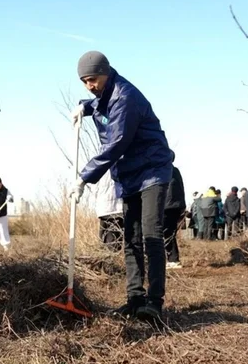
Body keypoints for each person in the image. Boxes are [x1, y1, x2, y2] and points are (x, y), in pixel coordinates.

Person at [69, 51, 174, 323]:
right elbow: (100, 103)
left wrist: (84, 177)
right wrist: (85, 106)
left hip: (151, 171)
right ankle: (135, 298)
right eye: (84, 82)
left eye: (92, 80)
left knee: (150, 234)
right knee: (131, 237)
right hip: (129, 174)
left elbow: (116, 143)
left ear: (106, 72)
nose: (89, 86)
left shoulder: (125, 97)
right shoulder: (107, 93)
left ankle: (154, 302)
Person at [95, 171, 124, 252]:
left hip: (105, 208)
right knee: (112, 245)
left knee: (105, 244)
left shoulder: (102, 162)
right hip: (115, 208)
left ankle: (107, 261)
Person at [163, 165, 186, 269]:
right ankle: (173, 259)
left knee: (165, 232)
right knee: (170, 232)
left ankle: (172, 259)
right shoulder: (175, 170)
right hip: (176, 206)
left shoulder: (162, 168)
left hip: (166, 206)